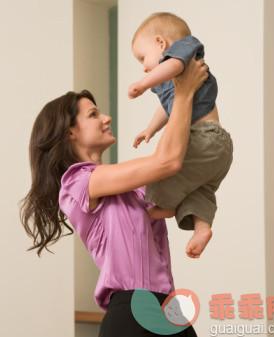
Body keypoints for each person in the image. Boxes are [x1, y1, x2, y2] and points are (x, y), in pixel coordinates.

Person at [19, 57, 207, 336]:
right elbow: (167, 161)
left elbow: (185, 178)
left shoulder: (135, 189)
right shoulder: (77, 183)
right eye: (93, 114)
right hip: (131, 314)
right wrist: (184, 90)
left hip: (170, 311)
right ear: (70, 132)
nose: (106, 118)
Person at [127, 12, 233, 259]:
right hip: (217, 149)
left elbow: (174, 66)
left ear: (161, 43)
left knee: (161, 171)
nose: (143, 66)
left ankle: (164, 204)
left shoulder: (184, 50)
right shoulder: (169, 81)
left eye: (142, 57)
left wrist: (143, 84)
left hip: (203, 137)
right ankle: (202, 228)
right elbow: (167, 107)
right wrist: (150, 129)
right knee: (200, 191)